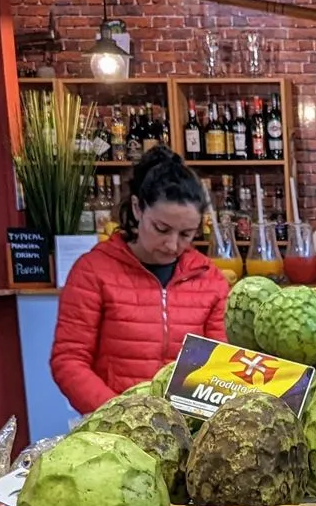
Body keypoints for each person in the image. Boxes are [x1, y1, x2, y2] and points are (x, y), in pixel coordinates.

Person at [51, 147, 229, 413]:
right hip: (114, 428)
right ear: (137, 208)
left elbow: (220, 364)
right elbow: (69, 360)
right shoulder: (93, 271)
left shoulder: (210, 279)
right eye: (162, 229)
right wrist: (121, 414)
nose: (172, 245)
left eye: (186, 234)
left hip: (186, 426)